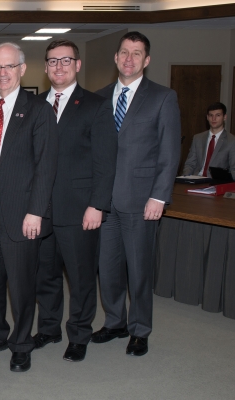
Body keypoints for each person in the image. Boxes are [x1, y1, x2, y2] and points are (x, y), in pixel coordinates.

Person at [0, 42, 58, 372]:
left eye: (10, 66)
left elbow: (46, 165)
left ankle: (21, 343)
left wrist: (37, 211)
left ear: (22, 69)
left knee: (21, 283)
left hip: (22, 212)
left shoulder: (38, 109)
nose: (3, 73)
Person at [93, 31, 181, 356]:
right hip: (105, 204)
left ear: (147, 60)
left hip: (142, 201)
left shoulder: (162, 97)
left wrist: (159, 197)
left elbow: (169, 153)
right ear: (116, 58)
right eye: (124, 52)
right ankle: (115, 321)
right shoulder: (99, 97)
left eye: (137, 53)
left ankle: (140, 329)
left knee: (139, 269)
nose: (129, 59)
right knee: (108, 267)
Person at [34, 39, 117, 362]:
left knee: (81, 277)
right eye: (53, 61)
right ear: (45, 67)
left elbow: (105, 162)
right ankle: (49, 328)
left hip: (80, 209)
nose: (59, 67)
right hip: (41, 209)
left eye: (66, 61)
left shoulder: (96, 106)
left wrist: (98, 205)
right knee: (46, 274)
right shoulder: (36, 105)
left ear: (78, 65)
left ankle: (79, 333)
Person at [182, 102, 235, 179]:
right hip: (196, 180)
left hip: (217, 183)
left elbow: (233, 170)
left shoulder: (232, 141)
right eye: (211, 115)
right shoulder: (198, 138)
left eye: (218, 115)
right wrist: (185, 178)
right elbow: (190, 164)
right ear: (207, 117)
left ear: (225, 117)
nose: (213, 119)